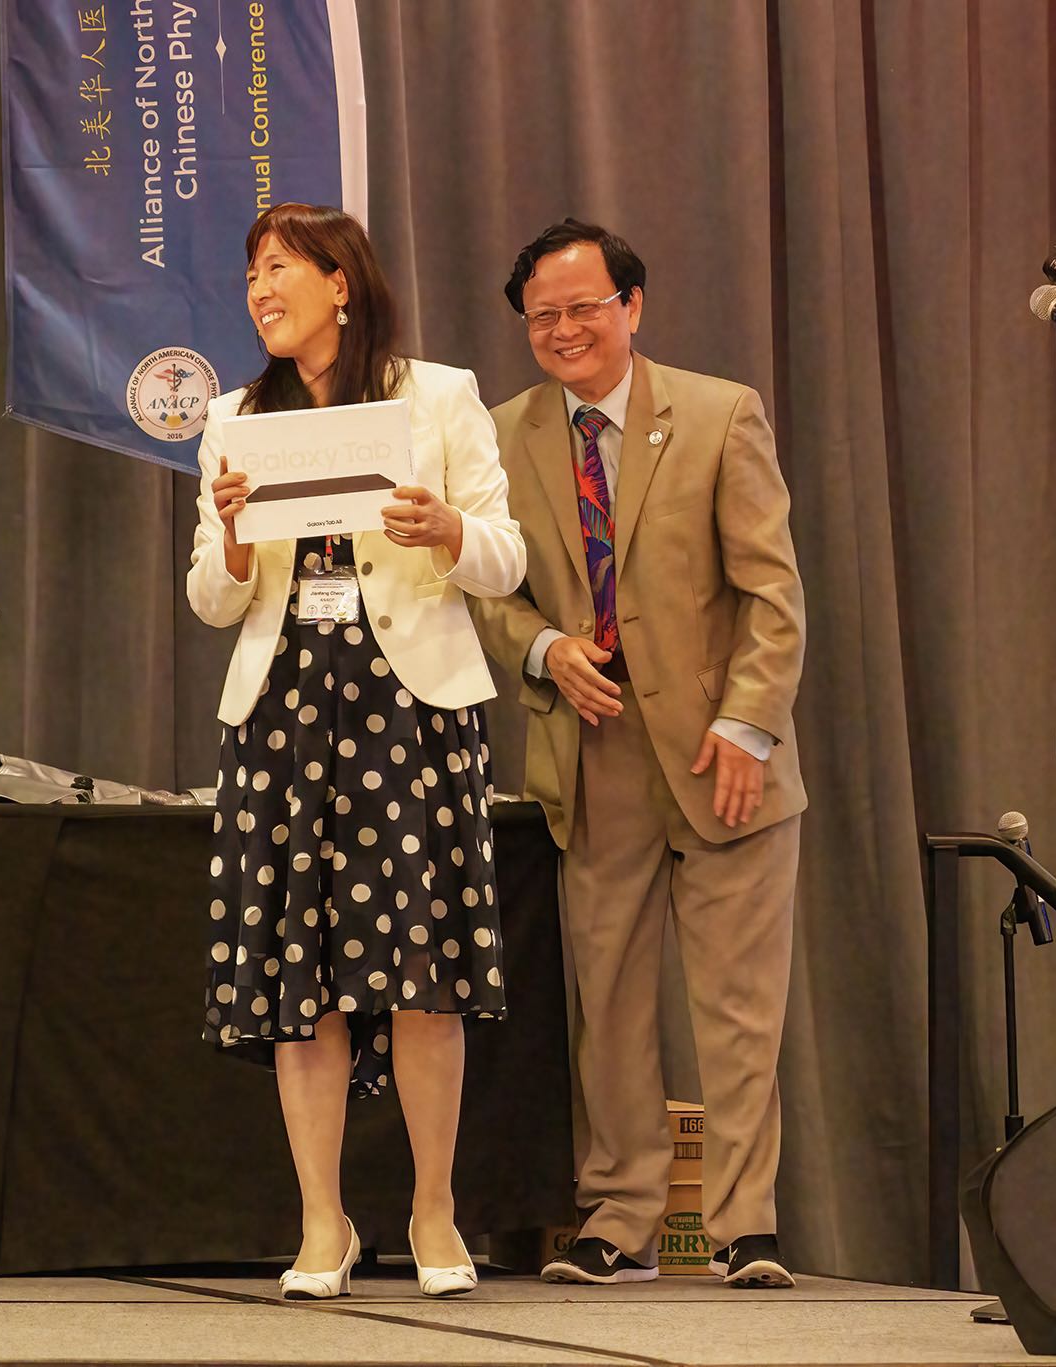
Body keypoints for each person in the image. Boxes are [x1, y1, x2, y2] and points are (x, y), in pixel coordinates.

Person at [189, 203, 526, 1300]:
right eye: (252, 274)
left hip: (408, 708)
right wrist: (233, 536)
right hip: (284, 711)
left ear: (341, 283)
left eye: (279, 268)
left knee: (424, 970)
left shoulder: (438, 394)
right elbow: (211, 599)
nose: (260, 290)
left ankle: (433, 1208)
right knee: (304, 976)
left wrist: (449, 533)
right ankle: (321, 1219)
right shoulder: (238, 417)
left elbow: (507, 556)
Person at [469, 219, 805, 1289]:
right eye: (543, 316)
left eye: (584, 307)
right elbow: (488, 591)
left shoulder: (720, 412)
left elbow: (773, 592)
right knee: (606, 1000)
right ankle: (618, 1217)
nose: (564, 329)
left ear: (633, 306)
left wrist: (748, 724)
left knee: (738, 1003)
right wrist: (544, 648)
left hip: (722, 753)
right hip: (591, 751)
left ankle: (745, 1224)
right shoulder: (501, 432)